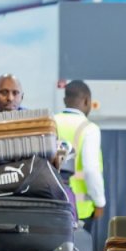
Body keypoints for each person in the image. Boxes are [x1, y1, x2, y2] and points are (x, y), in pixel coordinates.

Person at [54, 80, 105, 233]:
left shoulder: (50, 122)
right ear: (87, 101)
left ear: (64, 100)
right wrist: (99, 202)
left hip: (52, 204)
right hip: (80, 210)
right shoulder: (89, 129)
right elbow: (91, 170)